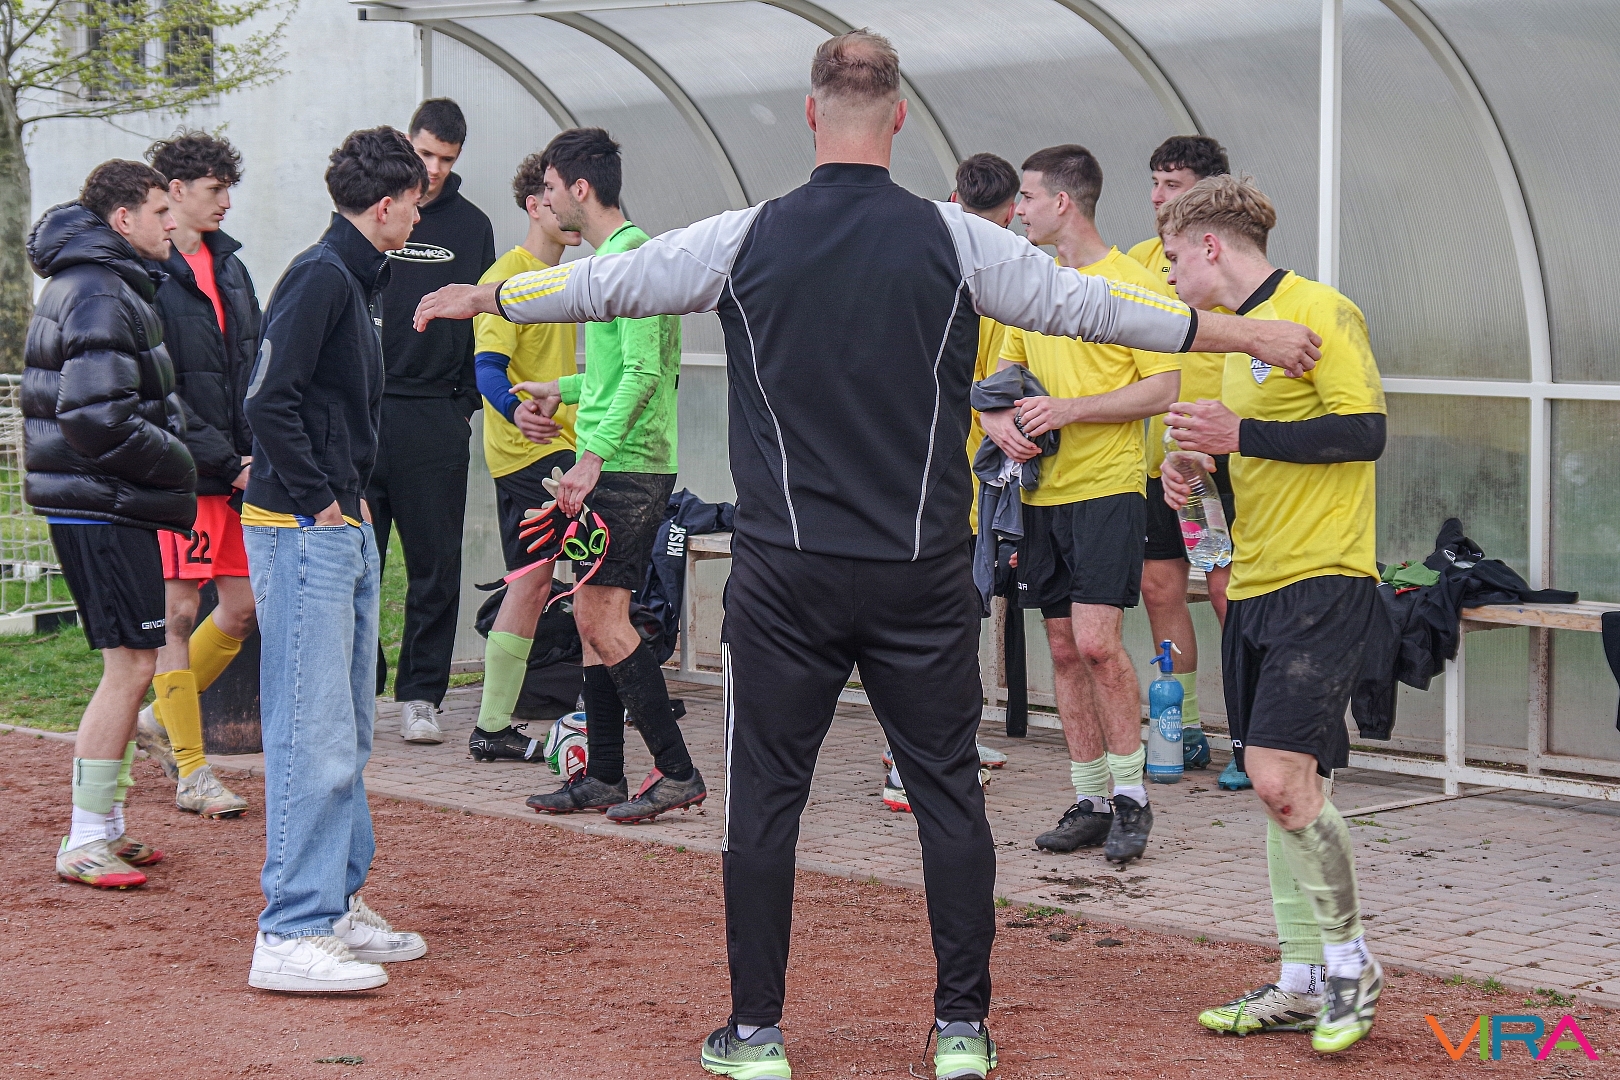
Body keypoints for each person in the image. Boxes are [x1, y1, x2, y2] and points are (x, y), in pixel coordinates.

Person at [413, 31, 1320, 1079]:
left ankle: (756, 1034)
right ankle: (961, 1031)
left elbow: (611, 285)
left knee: (766, 802)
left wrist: (489, 297)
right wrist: (1245, 335)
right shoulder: (959, 241)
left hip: (786, 576)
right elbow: (1100, 307)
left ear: (812, 115)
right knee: (948, 797)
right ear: (898, 116)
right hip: (921, 573)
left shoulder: (743, 237)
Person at [1158, 175, 1386, 1053]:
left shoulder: (1320, 311)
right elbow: (1238, 456)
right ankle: (1300, 980)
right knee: (1280, 789)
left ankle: (1351, 965)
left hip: (1324, 578)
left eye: (1174, 258)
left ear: (1211, 247)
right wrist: (1193, 473)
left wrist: (1238, 437)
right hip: (1253, 585)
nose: (1170, 275)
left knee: (1280, 779)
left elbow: (1364, 433)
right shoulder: (1231, 344)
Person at [241, 127, 430, 992]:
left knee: (346, 730)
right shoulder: (321, 277)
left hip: (332, 524)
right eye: (415, 203)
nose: (418, 217)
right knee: (311, 731)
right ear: (385, 206)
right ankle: (291, 928)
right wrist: (321, 500)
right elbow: (267, 401)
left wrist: (341, 504)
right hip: (303, 528)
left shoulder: (353, 279)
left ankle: (334, 903)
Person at [979, 145, 1179, 865]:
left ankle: (1133, 797)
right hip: (1040, 496)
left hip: (1108, 490)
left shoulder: (1134, 284)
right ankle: (1091, 799)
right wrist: (995, 420)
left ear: (1063, 202)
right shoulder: (1030, 285)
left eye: (1028, 198)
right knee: (1063, 649)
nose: (1019, 212)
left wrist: (1070, 409)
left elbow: (1163, 389)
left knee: (1097, 644)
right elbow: (1000, 380)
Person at [504, 127, 703, 825]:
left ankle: (677, 771)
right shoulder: (616, 259)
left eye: (550, 188)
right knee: (592, 618)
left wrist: (591, 458)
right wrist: (559, 388)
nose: (544, 201)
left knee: (600, 616)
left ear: (579, 189)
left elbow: (646, 374)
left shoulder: (633, 259)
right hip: (615, 462)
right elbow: (618, 373)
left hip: (627, 468)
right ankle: (605, 776)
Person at [24, 161, 195, 888]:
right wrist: (181, 465)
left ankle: (108, 825)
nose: (171, 222)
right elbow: (97, 418)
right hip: (100, 501)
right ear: (123, 219)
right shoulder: (98, 287)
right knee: (129, 666)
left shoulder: (105, 281)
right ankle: (87, 835)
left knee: (133, 664)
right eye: (159, 210)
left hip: (103, 498)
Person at [881, 151, 1019, 814]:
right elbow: (979, 384)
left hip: (907, 484)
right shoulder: (994, 274)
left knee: (930, 628)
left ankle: (939, 748)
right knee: (935, 632)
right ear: (1010, 214)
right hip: (941, 492)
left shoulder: (912, 256)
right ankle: (909, 767)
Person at [132, 131, 260, 820]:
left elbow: (255, 364)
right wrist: (224, 462)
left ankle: (159, 716)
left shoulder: (232, 266)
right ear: (175, 191)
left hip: (237, 470)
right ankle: (191, 770)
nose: (226, 202)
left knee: (241, 608)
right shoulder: (147, 273)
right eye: (215, 189)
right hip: (185, 473)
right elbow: (161, 393)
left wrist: (253, 454)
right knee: (178, 614)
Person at [373, 98, 498, 744]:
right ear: (408, 142)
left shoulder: (473, 226)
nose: (434, 168)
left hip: (436, 413)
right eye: (425, 153)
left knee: (435, 563)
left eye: (446, 158)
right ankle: (360, 681)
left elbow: (486, 317)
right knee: (356, 562)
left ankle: (421, 695)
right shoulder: (378, 211)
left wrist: (464, 402)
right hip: (368, 411)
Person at [1126, 135, 1245, 788]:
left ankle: (1252, 734)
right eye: (1154, 182)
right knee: (1159, 587)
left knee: (1228, 591)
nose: (1156, 197)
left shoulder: (1232, 268)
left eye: (1171, 184)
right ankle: (1186, 730)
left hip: (1216, 463)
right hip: (1158, 462)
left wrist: (1217, 439)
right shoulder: (1139, 262)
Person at [465, 150, 583, 762]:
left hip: (557, 448)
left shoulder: (562, 278)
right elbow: (487, 369)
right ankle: (602, 702)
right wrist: (518, 413)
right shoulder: (507, 276)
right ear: (535, 206)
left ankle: (494, 727)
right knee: (581, 575)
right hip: (529, 455)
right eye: (558, 197)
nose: (572, 209)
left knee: (538, 582)